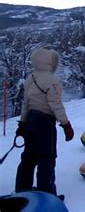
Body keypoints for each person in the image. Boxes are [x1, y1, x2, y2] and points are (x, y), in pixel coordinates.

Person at [15, 48, 74, 199]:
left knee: (28, 158)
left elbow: (25, 104)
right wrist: (66, 124)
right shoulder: (52, 80)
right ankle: (47, 195)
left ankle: (22, 191)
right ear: (51, 62)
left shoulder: (30, 78)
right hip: (44, 122)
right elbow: (55, 104)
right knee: (46, 159)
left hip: (30, 121)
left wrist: (22, 123)